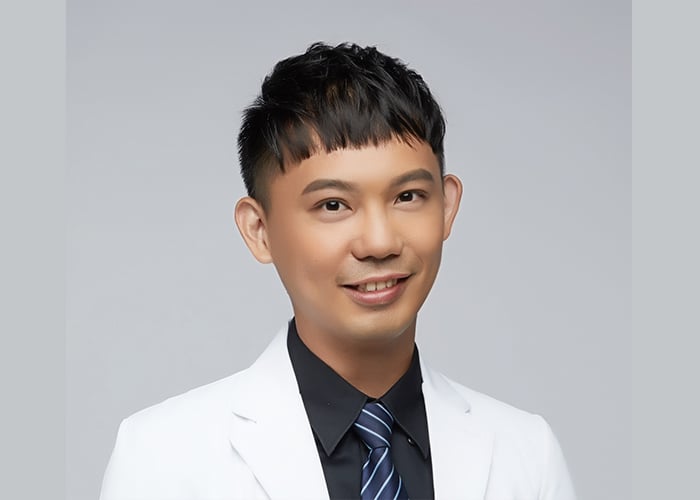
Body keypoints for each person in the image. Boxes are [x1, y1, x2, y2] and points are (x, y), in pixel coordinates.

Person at [99, 42, 576, 500]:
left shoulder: (526, 454)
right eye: (333, 205)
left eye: (407, 196)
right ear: (259, 230)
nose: (379, 242)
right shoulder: (162, 456)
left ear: (447, 206)